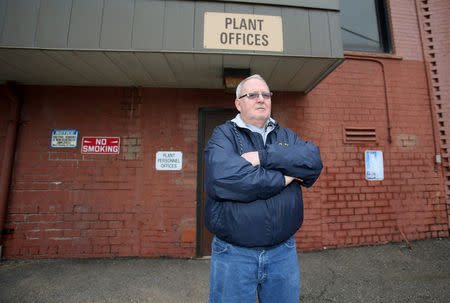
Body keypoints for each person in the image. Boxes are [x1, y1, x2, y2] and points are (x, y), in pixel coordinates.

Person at [204, 74, 323, 302]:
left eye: (266, 94)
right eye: (252, 95)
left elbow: (312, 162)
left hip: (283, 253)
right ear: (239, 103)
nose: (261, 99)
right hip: (234, 255)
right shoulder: (224, 135)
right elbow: (222, 180)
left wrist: (262, 157)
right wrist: (285, 177)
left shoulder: (286, 135)